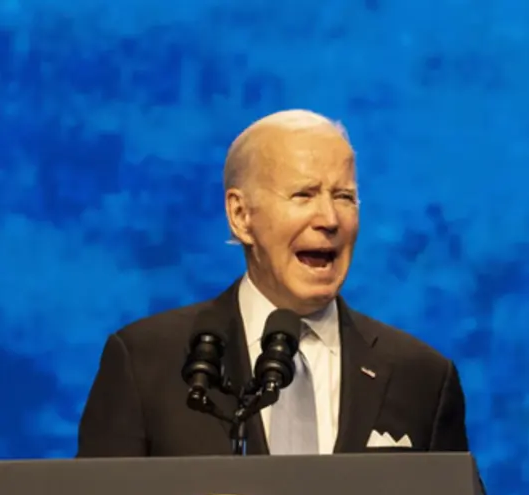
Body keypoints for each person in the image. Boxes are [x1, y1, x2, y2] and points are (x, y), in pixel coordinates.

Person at [76, 110, 469, 457]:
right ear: (240, 214)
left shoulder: (422, 378)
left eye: (345, 196)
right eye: (304, 195)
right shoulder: (146, 363)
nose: (329, 219)